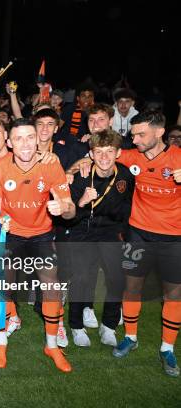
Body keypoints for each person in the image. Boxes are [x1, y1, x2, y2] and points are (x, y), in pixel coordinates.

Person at [0, 118, 76, 373]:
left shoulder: (51, 164)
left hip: (42, 234)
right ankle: (1, 341)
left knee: (51, 287)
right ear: (9, 143)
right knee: (5, 287)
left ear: (37, 139)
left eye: (29, 137)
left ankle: (52, 345)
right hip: (12, 233)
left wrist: (64, 208)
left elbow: (70, 210)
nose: (25, 143)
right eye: (19, 138)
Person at [108, 111, 181, 377]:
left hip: (174, 238)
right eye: (133, 134)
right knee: (132, 288)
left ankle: (167, 348)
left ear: (160, 133)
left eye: (141, 134)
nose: (135, 139)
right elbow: (100, 155)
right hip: (138, 234)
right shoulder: (133, 156)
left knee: (173, 294)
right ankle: (130, 336)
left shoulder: (178, 158)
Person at [65, 130, 134, 348]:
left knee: (117, 279)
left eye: (109, 151)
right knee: (82, 278)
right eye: (99, 152)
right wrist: (82, 202)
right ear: (91, 155)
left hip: (110, 232)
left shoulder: (125, 177)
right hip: (83, 230)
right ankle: (76, 326)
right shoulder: (81, 176)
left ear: (118, 153)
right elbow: (67, 216)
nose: (104, 157)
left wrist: (123, 236)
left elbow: (126, 209)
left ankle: (109, 326)